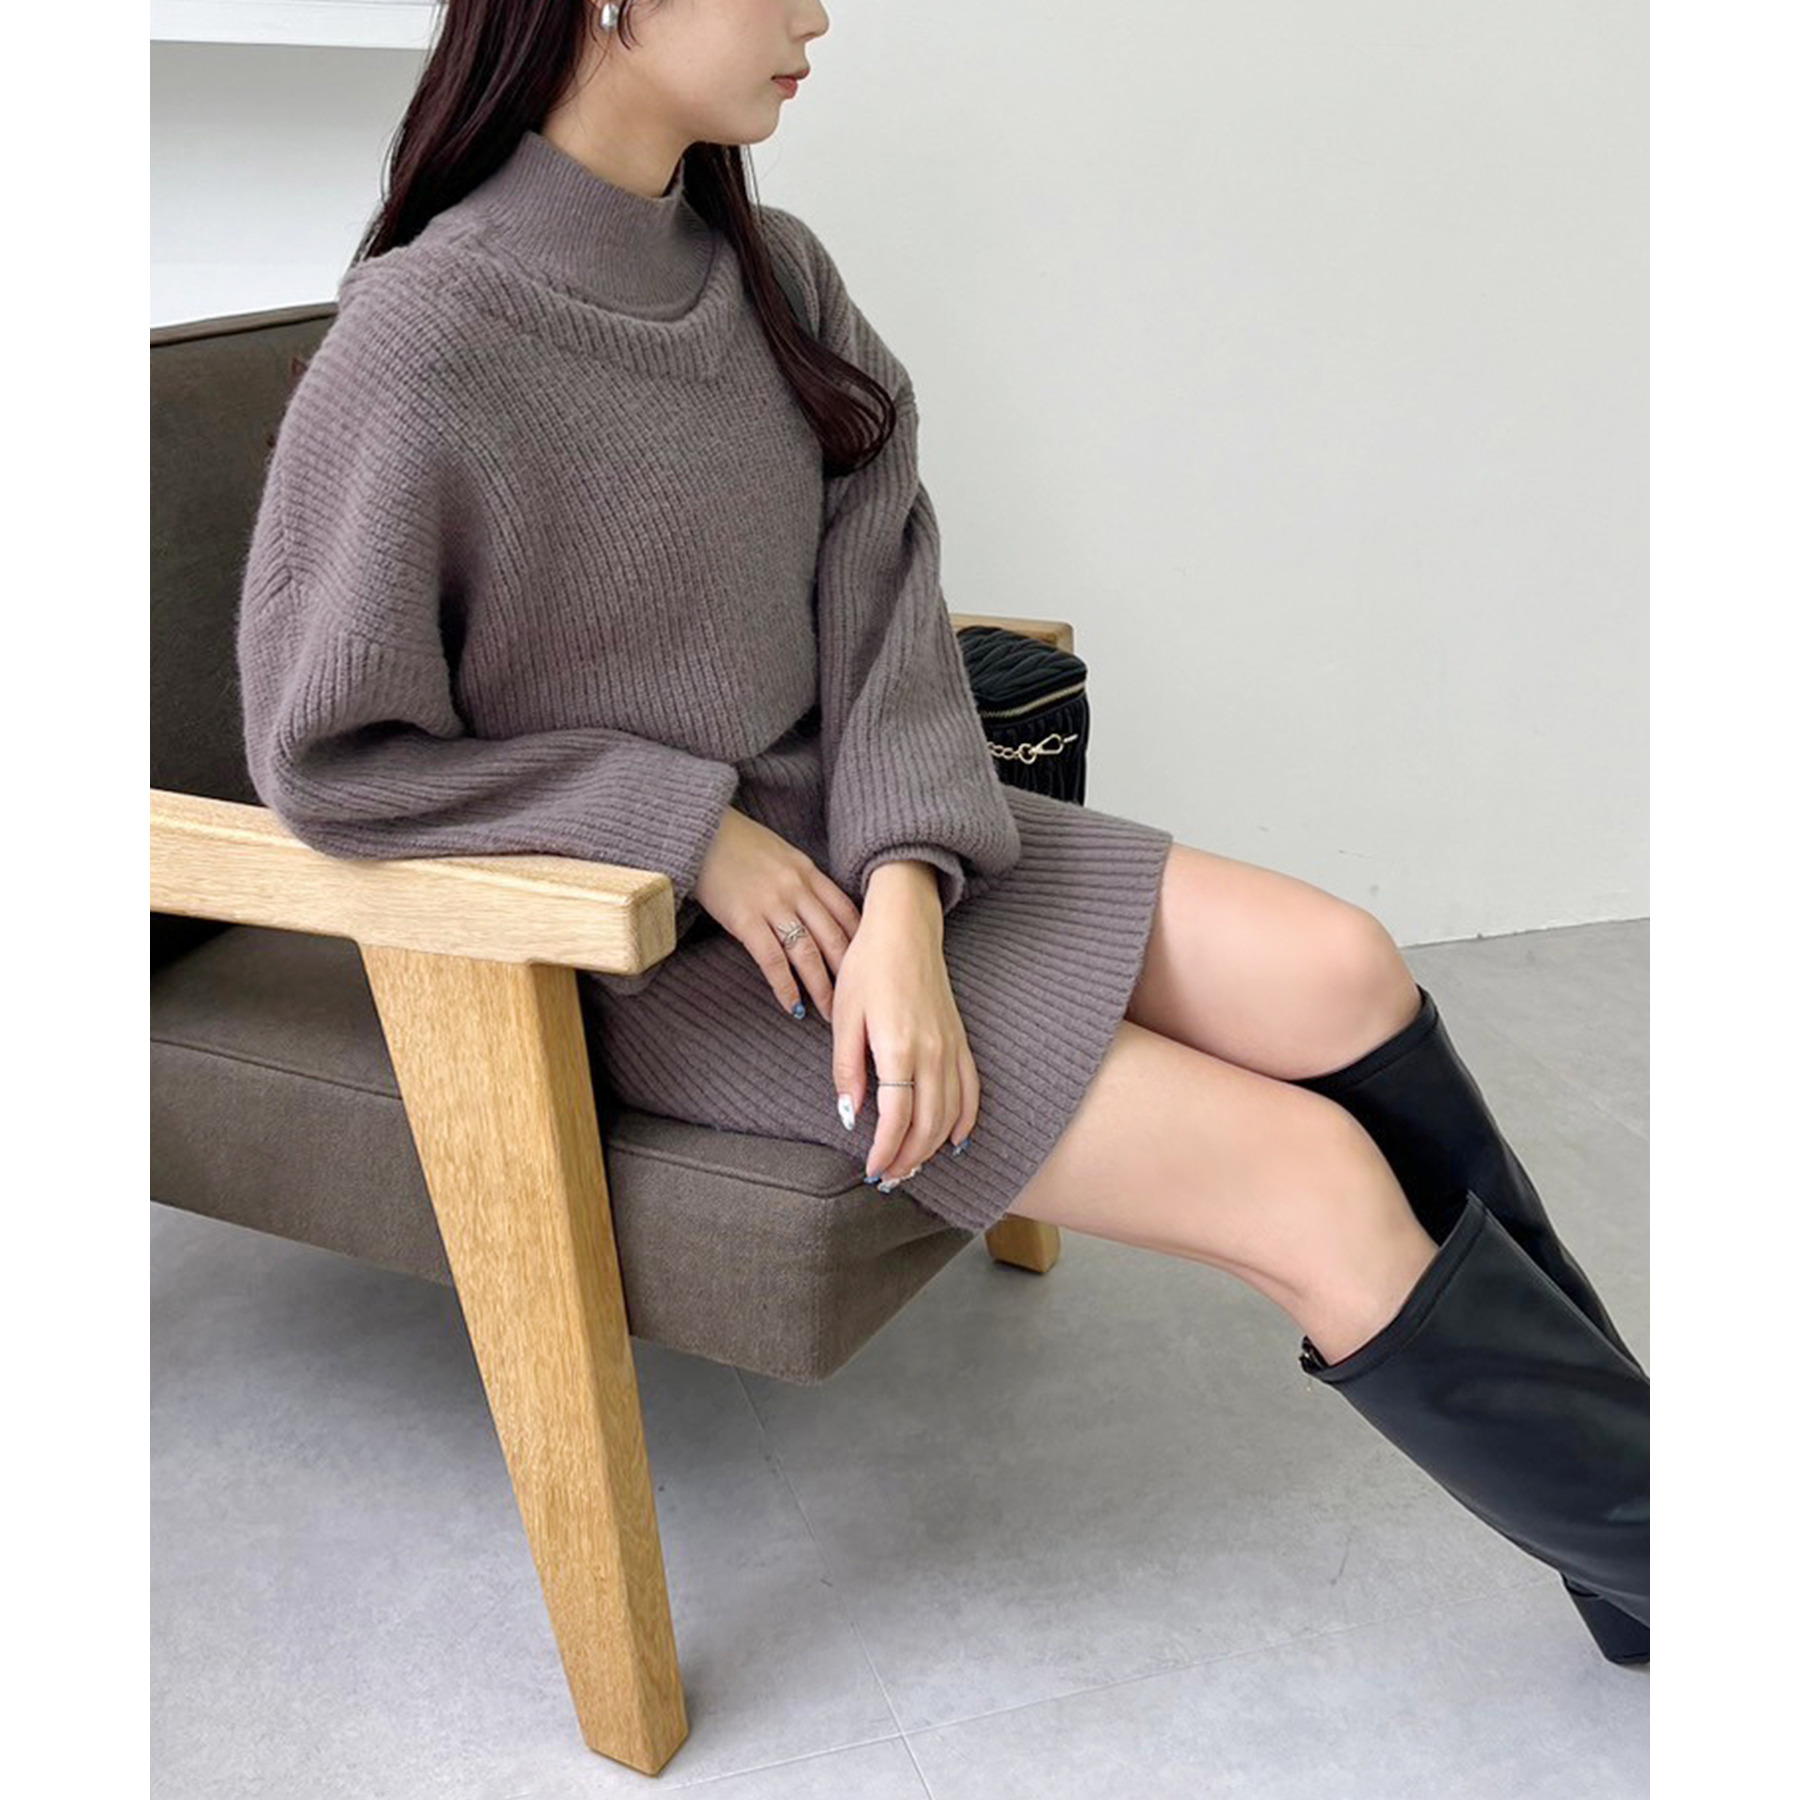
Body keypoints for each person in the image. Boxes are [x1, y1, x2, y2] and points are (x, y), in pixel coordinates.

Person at [233, 0, 1648, 1663]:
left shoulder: (772, 273)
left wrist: (906, 888)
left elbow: (888, 601)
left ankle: (1653, 1548)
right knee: (1312, 1182)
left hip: (876, 851)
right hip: (675, 952)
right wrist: (689, 828)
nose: (816, 15)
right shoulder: (423, 337)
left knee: (1342, 964)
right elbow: (330, 754)